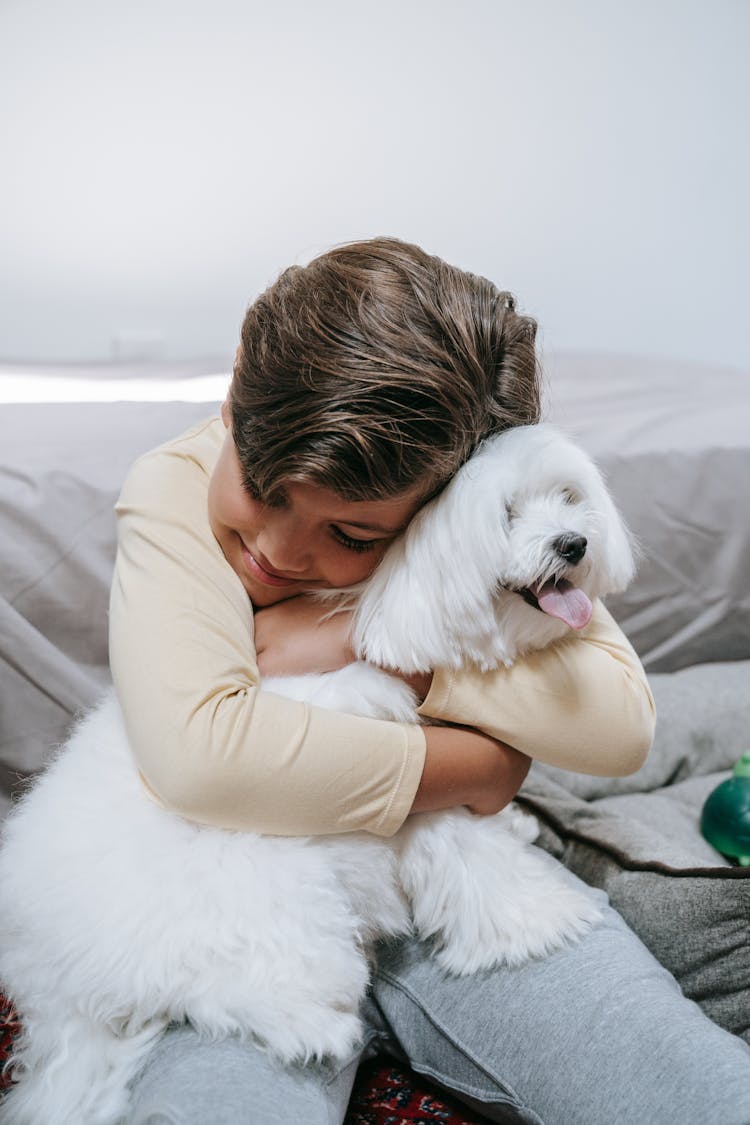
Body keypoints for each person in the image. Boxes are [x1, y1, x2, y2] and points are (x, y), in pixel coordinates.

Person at [110, 238, 750, 1124]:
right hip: (249, 918)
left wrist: (368, 640)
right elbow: (204, 762)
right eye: (265, 487)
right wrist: (477, 768)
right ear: (231, 406)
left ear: (452, 494)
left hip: (461, 878)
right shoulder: (171, 490)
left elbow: (618, 725)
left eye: (354, 538)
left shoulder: (468, 505)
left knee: (690, 1084)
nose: (283, 554)